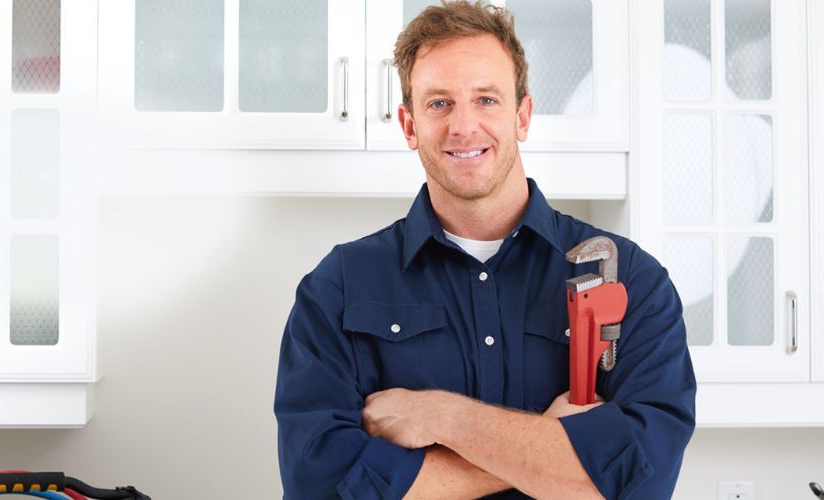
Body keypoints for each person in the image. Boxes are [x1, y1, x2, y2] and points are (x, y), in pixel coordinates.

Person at [274, 1, 696, 498]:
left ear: (523, 115)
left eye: (486, 100)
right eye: (438, 103)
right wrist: (554, 446)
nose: (463, 126)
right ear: (409, 125)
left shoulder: (632, 281)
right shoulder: (338, 288)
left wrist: (440, 416)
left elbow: (639, 478)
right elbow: (323, 485)